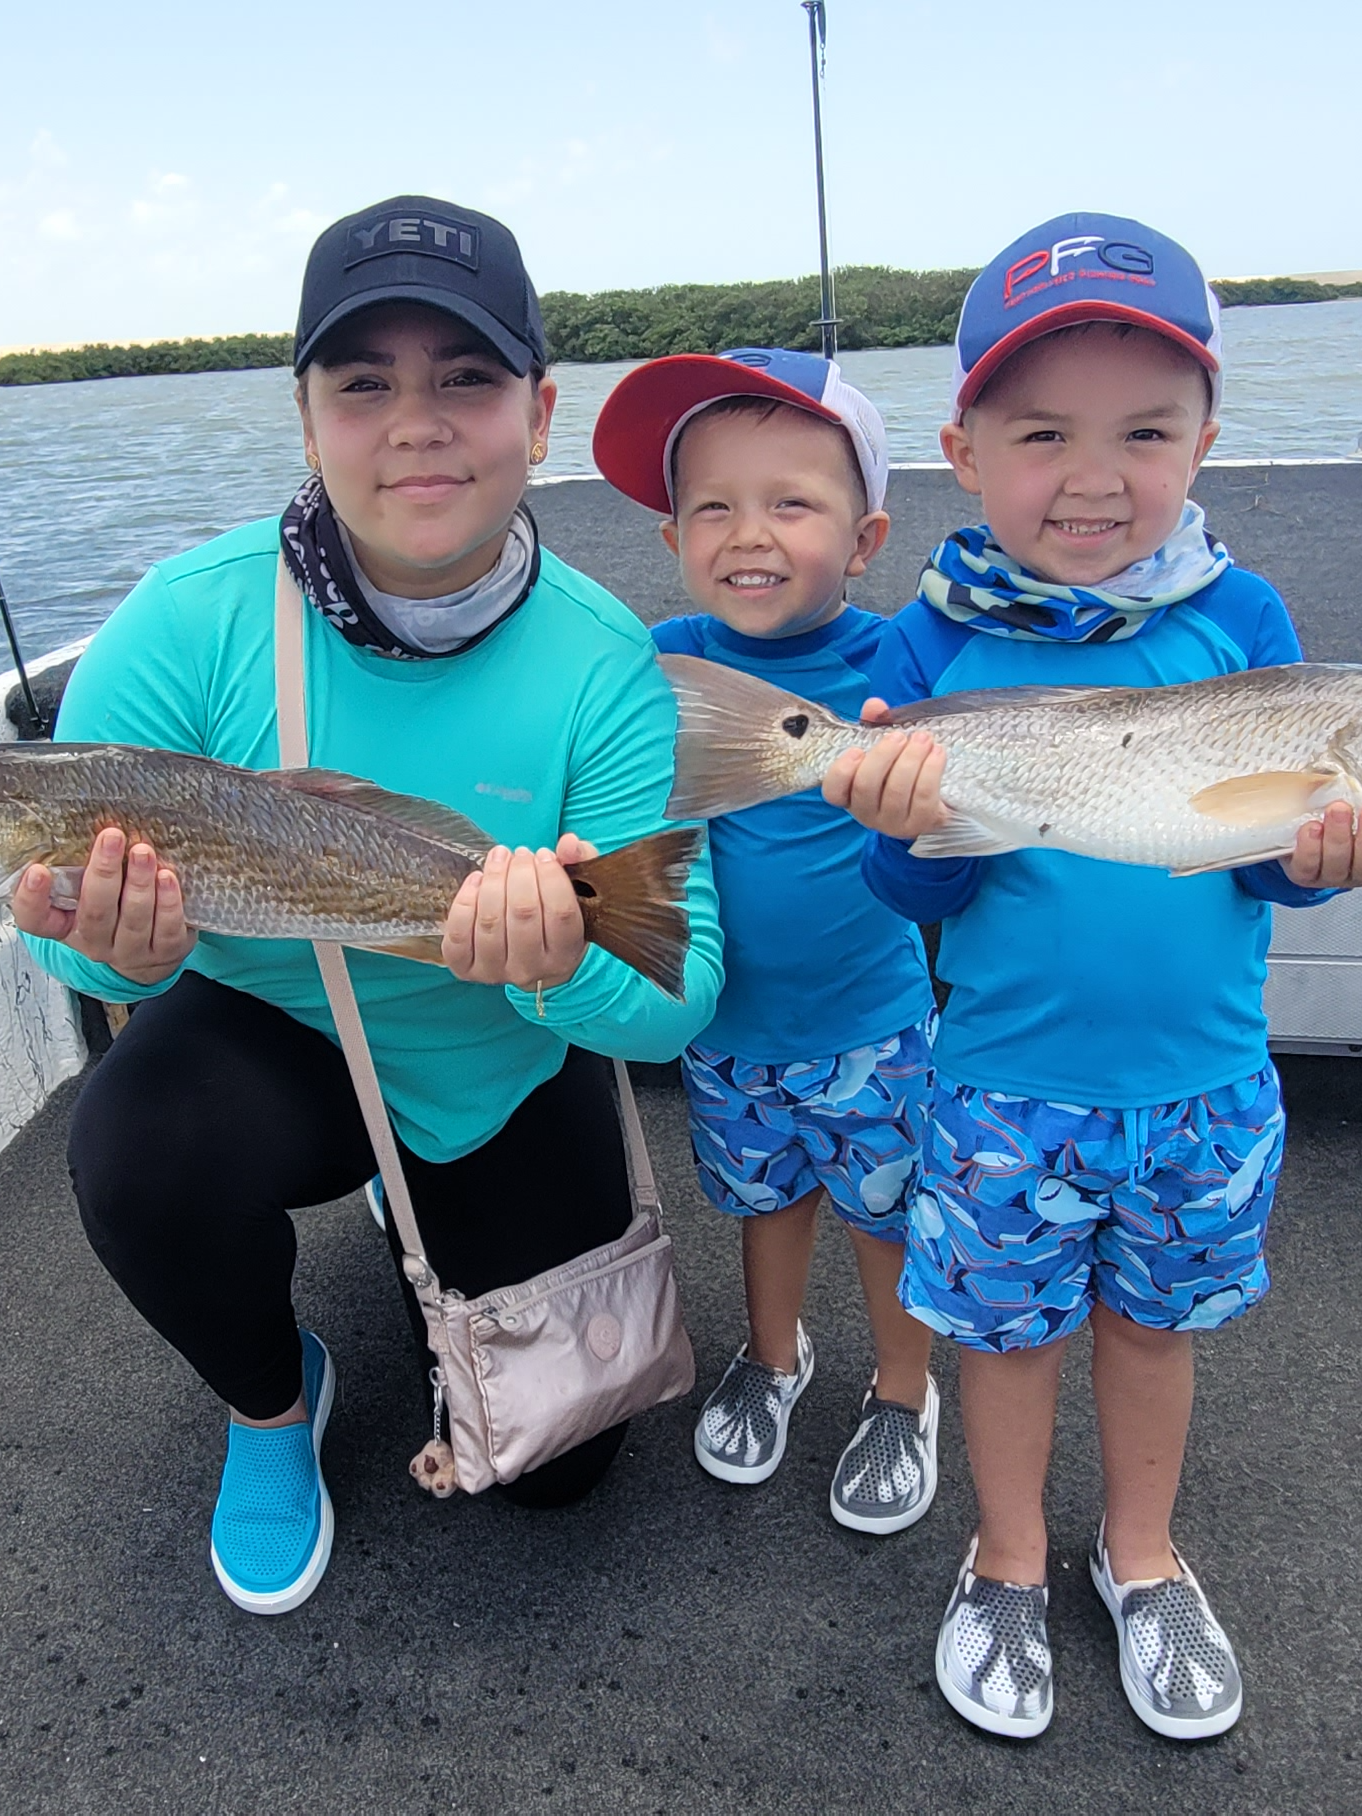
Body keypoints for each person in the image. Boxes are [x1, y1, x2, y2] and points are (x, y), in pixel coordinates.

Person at [13, 196, 722, 1616]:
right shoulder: (181, 618)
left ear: (540, 412)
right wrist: (102, 950)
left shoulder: (607, 662)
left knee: (564, 1479)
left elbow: (676, 998)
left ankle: (439, 1248)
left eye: (466, 378)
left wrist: (555, 960)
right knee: (136, 1140)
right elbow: (59, 907)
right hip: (274, 1035)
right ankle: (274, 1404)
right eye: (363, 384)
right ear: (304, 414)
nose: (416, 423)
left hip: (496, 1051)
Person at [823, 212, 1362, 1739]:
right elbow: (906, 890)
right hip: (999, 1085)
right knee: (1001, 1338)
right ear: (964, 447)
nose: (1093, 474)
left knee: (1152, 1331)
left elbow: (1250, 854)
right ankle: (1001, 1557)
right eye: (1041, 432)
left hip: (1200, 1090)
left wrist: (1318, 854)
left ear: (1203, 437)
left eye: (1144, 430)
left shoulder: (1245, 625)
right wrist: (907, 830)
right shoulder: (929, 645)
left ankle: (1141, 1553)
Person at [593, 350, 940, 1532]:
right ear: (673, 536)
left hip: (878, 1023)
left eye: (792, 503)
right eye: (713, 507)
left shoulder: (901, 665)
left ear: (866, 533)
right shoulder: (655, 659)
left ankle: (906, 1388)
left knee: (886, 1215)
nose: (751, 533)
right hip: (726, 1026)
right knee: (762, 1201)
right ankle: (774, 1353)